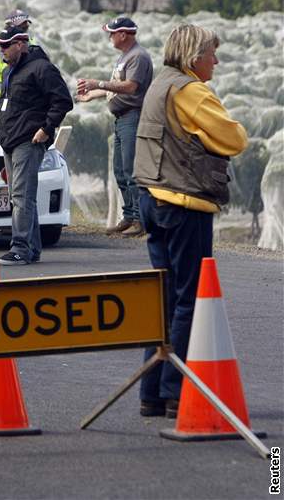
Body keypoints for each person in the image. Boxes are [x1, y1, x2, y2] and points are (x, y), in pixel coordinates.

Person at [133, 23, 247, 418]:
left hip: (152, 199)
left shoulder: (161, 83)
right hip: (184, 204)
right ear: (193, 57)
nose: (216, 60)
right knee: (187, 299)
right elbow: (235, 139)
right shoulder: (192, 90)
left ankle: (150, 392)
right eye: (212, 53)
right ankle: (174, 392)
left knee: (161, 298)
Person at [0, 25, 73, 266]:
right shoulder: (9, 72)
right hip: (10, 140)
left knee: (21, 196)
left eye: (5, 45)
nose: (1, 50)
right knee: (19, 196)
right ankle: (32, 248)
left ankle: (20, 248)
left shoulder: (41, 68)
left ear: (20, 44)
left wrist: (47, 129)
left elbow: (63, 101)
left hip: (29, 140)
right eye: (0, 45)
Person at [76, 17, 153, 237]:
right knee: (120, 169)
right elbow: (117, 86)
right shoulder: (125, 57)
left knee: (131, 169)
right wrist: (94, 95)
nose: (109, 37)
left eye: (112, 33)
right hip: (121, 119)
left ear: (123, 34)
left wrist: (98, 83)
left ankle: (140, 219)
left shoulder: (138, 57)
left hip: (132, 117)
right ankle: (128, 216)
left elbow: (130, 87)